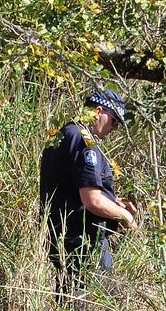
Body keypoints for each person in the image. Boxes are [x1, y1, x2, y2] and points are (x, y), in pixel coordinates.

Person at [39, 89, 138, 297]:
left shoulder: (62, 135)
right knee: (91, 305)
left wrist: (112, 201)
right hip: (83, 242)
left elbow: (72, 188)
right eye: (114, 121)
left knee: (68, 304)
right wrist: (125, 216)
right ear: (99, 111)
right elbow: (91, 199)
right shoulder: (85, 142)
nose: (114, 128)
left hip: (61, 238)